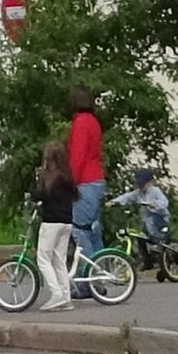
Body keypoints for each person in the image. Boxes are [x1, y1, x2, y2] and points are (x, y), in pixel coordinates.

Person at [32, 139, 79, 311]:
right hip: (66, 222)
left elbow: (39, 195)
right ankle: (66, 297)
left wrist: (38, 178)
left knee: (43, 258)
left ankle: (56, 294)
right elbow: (76, 196)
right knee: (59, 260)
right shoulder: (67, 176)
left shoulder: (49, 176)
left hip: (51, 222)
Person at [67, 84, 109, 267]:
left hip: (85, 182)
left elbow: (78, 156)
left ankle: (92, 276)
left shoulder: (81, 123)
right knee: (93, 231)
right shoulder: (93, 121)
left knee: (79, 230)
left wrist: (69, 183)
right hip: (96, 179)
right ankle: (100, 271)